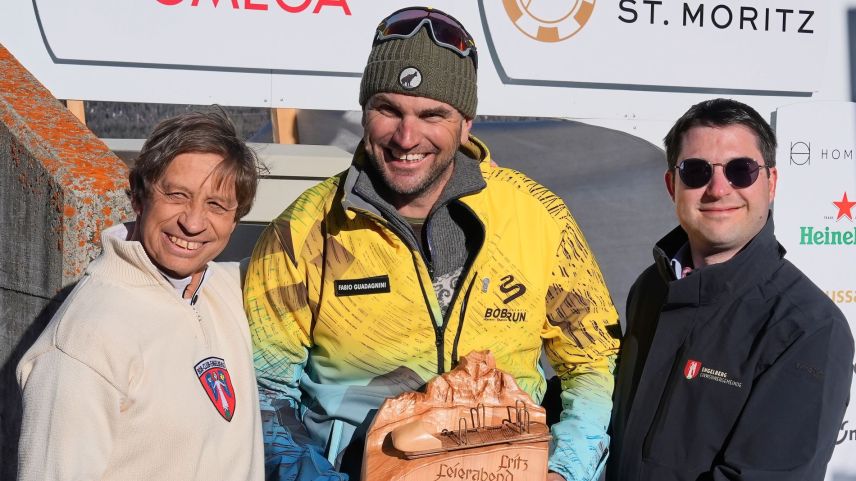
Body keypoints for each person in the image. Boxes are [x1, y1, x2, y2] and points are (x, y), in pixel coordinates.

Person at [244, 6, 620, 481]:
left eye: (431, 114)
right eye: (388, 109)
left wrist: (565, 471)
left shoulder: (539, 216)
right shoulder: (303, 230)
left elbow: (592, 362)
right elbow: (265, 388)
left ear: (466, 123)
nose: (407, 136)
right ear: (364, 111)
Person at [606, 98, 854, 481]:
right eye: (696, 171)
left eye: (741, 170)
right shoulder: (651, 289)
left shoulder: (808, 329)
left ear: (770, 184)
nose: (718, 189)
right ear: (673, 185)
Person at [16, 110, 265, 480]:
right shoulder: (86, 342)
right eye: (177, 195)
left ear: (235, 220)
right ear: (138, 196)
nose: (193, 223)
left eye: (216, 205)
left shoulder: (226, 290)